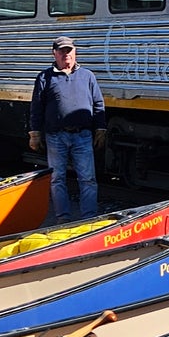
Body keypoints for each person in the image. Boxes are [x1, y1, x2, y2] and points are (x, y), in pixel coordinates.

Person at [27, 36, 106, 223]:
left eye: (69, 51)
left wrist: (101, 128)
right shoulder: (45, 77)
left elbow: (98, 104)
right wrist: (35, 133)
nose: (66, 55)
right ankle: (63, 218)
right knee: (57, 179)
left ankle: (89, 219)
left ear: (75, 52)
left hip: (83, 134)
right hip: (56, 136)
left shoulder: (87, 76)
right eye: (62, 51)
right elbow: (36, 107)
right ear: (54, 53)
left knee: (88, 179)